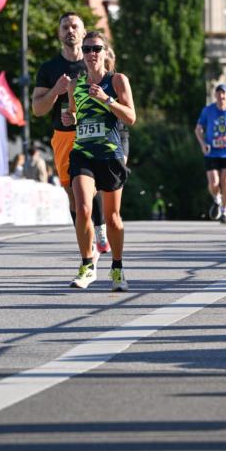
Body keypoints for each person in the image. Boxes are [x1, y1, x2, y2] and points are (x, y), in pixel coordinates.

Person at [32, 12, 110, 254]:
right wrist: (56, 90)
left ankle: (100, 230)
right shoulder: (49, 68)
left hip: (91, 133)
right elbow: (37, 109)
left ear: (83, 32)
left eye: (75, 26)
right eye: (65, 27)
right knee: (73, 195)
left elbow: (111, 91)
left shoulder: (93, 62)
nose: (70, 30)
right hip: (63, 135)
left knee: (91, 186)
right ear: (59, 33)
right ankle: (86, 236)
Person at [67, 31, 135, 290]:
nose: (91, 54)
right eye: (86, 49)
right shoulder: (76, 85)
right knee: (83, 208)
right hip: (83, 152)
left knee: (113, 216)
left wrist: (107, 100)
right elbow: (74, 114)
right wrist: (70, 120)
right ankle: (87, 265)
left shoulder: (116, 80)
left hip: (110, 155)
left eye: (96, 48)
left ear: (105, 52)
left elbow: (131, 117)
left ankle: (117, 268)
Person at [195, 83, 226, 224]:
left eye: (224, 94)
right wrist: (203, 144)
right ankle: (217, 200)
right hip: (211, 152)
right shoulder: (208, 110)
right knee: (214, 182)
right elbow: (198, 129)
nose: (221, 96)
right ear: (215, 95)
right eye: (219, 93)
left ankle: (224, 213)